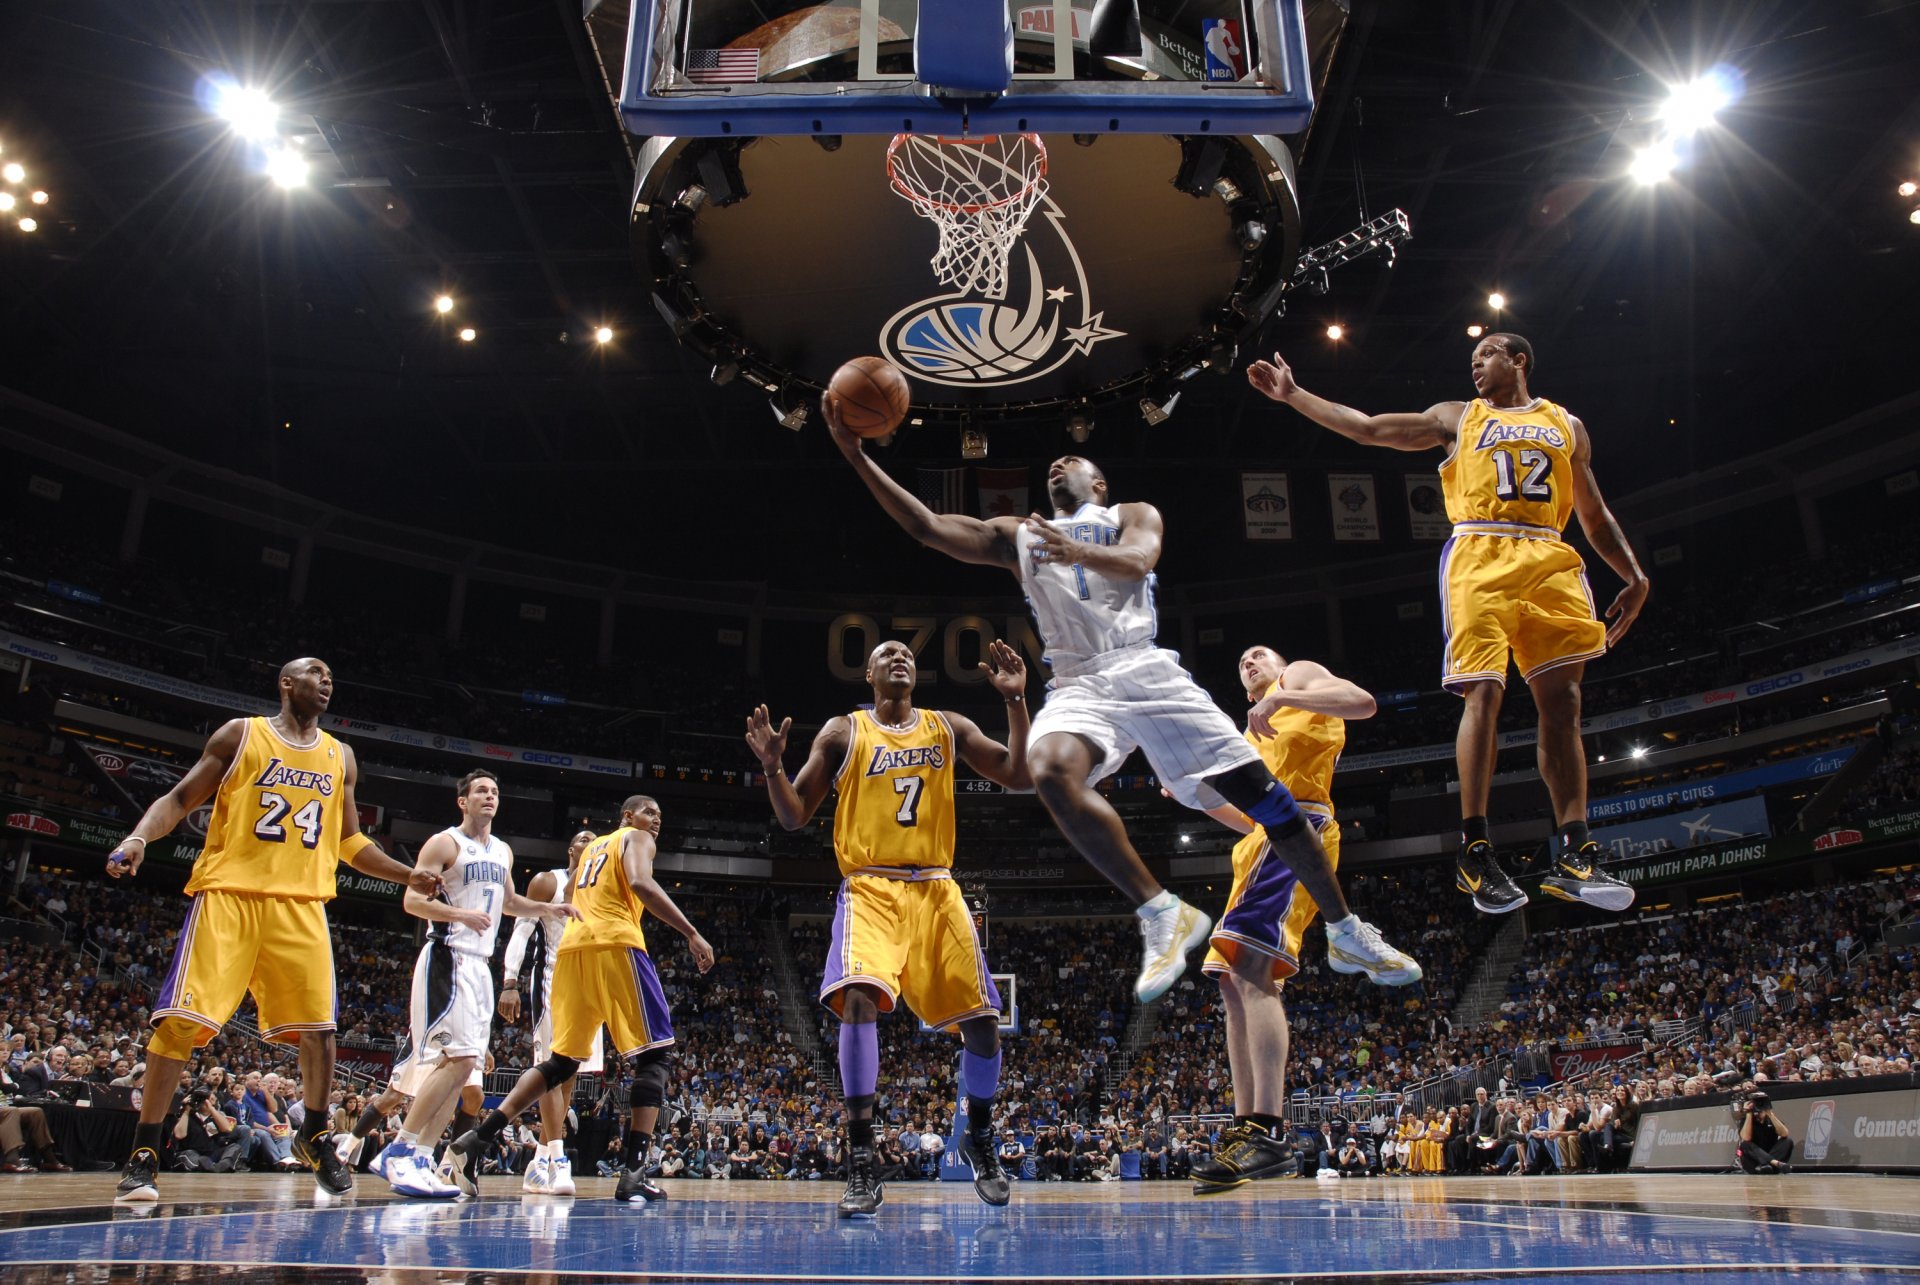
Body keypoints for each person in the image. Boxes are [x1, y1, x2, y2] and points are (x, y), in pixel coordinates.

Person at [823, 407, 1418, 1003]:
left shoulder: (1129, 514)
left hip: (1144, 665)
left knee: (1273, 806)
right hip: (1078, 681)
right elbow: (926, 526)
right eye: (1054, 462)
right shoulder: (1018, 535)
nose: (1059, 461)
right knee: (1048, 769)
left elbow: (1138, 561)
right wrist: (856, 456)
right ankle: (1162, 912)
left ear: (1098, 483)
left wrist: (1076, 552)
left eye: (1073, 459)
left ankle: (1346, 930)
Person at [1248, 336, 1648, 914]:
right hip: (1481, 553)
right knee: (1483, 693)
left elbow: (1592, 511)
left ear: (1519, 360)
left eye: (1486, 353)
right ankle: (1475, 850)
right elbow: (1367, 427)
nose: (1475, 363)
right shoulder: (1457, 416)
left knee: (1564, 705)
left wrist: (1633, 575)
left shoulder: (1567, 425)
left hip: (1549, 556)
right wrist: (1295, 396)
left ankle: (1576, 851)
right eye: (1472, 357)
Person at [103, 657, 442, 1203]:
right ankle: (144, 1150)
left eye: (332, 674)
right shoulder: (242, 735)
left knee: (321, 1031)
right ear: (287, 684)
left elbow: (350, 844)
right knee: (179, 1026)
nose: (328, 680)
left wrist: (408, 873)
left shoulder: (340, 756)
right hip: (228, 897)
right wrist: (140, 838)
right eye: (315, 673)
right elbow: (178, 799)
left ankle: (313, 1132)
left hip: (301, 904)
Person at [745, 637, 1030, 1217]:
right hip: (870, 885)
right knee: (856, 1001)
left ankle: (978, 1138)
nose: (899, 658)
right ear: (869, 674)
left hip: (936, 886)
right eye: (886, 653)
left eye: (906, 654)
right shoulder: (843, 732)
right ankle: (860, 1159)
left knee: (983, 1027)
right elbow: (795, 814)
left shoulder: (946, 725)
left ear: (914, 674)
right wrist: (774, 768)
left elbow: (1019, 774)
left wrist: (1017, 703)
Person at [1188, 645, 1409, 1195]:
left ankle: (1266, 1130)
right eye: (1241, 662)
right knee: (1232, 984)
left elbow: (1362, 703)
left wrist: (1284, 690)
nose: (1249, 661)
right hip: (1259, 847)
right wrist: (1198, 797)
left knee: (1254, 974)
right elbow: (1245, 819)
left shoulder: (1298, 678)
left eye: (1258, 653)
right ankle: (1247, 1129)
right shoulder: (1249, 729)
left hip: (1300, 828)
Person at [449, 796, 713, 1203]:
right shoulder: (635, 838)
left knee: (559, 1063)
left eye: (660, 815)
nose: (656, 820)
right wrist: (691, 932)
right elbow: (641, 882)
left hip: (571, 953)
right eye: (649, 812)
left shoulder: (592, 849)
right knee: (655, 1057)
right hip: (616, 944)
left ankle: (475, 1142)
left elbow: (569, 893)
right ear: (628, 816)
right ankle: (634, 1172)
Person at [377, 769, 571, 1198]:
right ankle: (400, 1149)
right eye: (481, 791)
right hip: (446, 956)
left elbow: (510, 904)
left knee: (466, 1068)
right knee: (461, 1059)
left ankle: (423, 1157)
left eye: (496, 792)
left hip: (479, 966)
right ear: (462, 801)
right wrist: (458, 915)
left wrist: (549, 909)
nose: (490, 796)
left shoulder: (502, 850)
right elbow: (412, 899)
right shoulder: (444, 843)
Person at [500, 829, 600, 1195]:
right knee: (550, 1070)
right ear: (571, 848)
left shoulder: (599, 890)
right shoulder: (547, 881)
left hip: (588, 984)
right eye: (581, 838)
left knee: (569, 1075)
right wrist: (510, 982)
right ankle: (558, 1159)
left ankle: (540, 1160)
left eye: (595, 839)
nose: (589, 841)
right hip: (550, 978)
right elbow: (521, 931)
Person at [1737, 1093, 1793, 1173]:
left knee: (1788, 1141)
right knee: (1745, 1144)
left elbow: (1784, 1133)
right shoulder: (1746, 1120)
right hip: (1754, 1163)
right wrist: (1749, 1114)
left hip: (1770, 1157)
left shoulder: (1770, 1119)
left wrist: (1770, 1114)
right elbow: (1746, 1138)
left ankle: (1768, 1165)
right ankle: (1774, 1163)